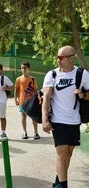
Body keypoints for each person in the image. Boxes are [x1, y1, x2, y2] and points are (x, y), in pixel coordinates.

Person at [42, 45, 89, 188]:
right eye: (57, 57)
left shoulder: (82, 74)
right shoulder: (52, 75)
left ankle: (58, 181)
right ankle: (63, 186)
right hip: (58, 120)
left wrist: (82, 94)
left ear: (71, 58)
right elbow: (46, 98)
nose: (58, 60)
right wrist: (45, 119)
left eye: (61, 57)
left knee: (69, 152)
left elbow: (88, 95)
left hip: (74, 120)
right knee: (62, 152)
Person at [14, 61, 40, 139]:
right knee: (23, 117)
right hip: (22, 102)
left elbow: (35, 90)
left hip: (31, 102)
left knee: (33, 117)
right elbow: (16, 90)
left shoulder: (32, 79)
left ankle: (36, 133)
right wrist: (16, 99)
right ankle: (25, 132)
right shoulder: (18, 79)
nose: (23, 69)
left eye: (25, 68)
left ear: (28, 69)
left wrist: (38, 99)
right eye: (22, 68)